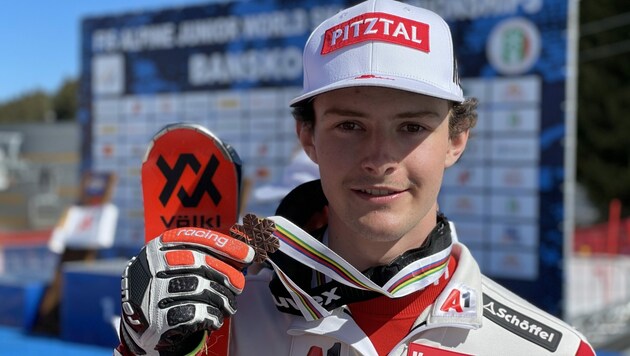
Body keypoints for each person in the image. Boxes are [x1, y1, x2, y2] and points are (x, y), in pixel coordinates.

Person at [116, 0, 595, 355]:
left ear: (456, 139)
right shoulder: (221, 319)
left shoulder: (552, 351)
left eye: (412, 127)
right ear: (308, 137)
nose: (378, 158)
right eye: (350, 125)